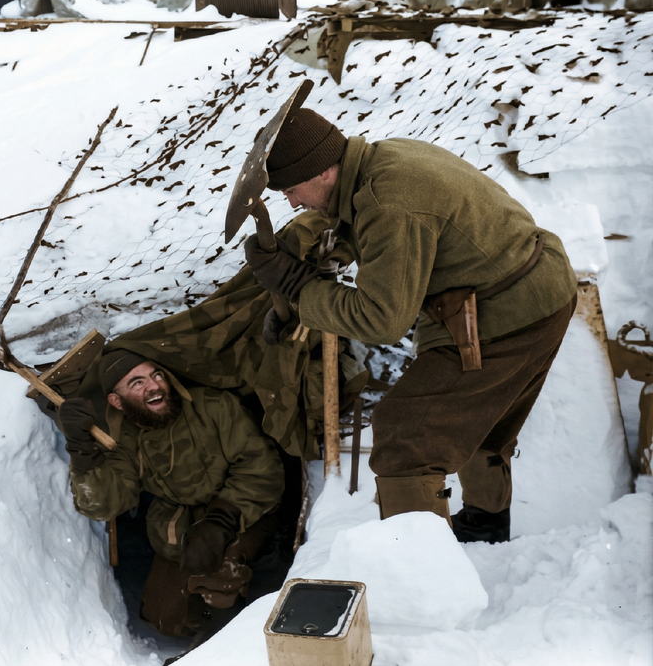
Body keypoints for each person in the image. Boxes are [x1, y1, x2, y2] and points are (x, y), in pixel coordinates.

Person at [242, 107, 578, 543]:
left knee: (405, 434)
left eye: (291, 188)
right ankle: (485, 523)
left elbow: (381, 319)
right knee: (477, 416)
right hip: (533, 287)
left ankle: (422, 579)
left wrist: (302, 290)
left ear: (324, 171)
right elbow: (371, 234)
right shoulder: (384, 160)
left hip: (510, 311)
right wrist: (306, 283)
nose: (291, 201)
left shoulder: (388, 201)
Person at [57, 350, 286, 642]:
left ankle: (229, 645)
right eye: (137, 383)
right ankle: (212, 627)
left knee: (217, 572)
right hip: (182, 524)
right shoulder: (125, 440)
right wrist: (80, 448)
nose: (153, 386)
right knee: (162, 617)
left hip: (245, 510)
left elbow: (261, 468)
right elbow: (102, 504)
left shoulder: (214, 406)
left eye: (156, 375)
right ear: (117, 401)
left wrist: (220, 521)